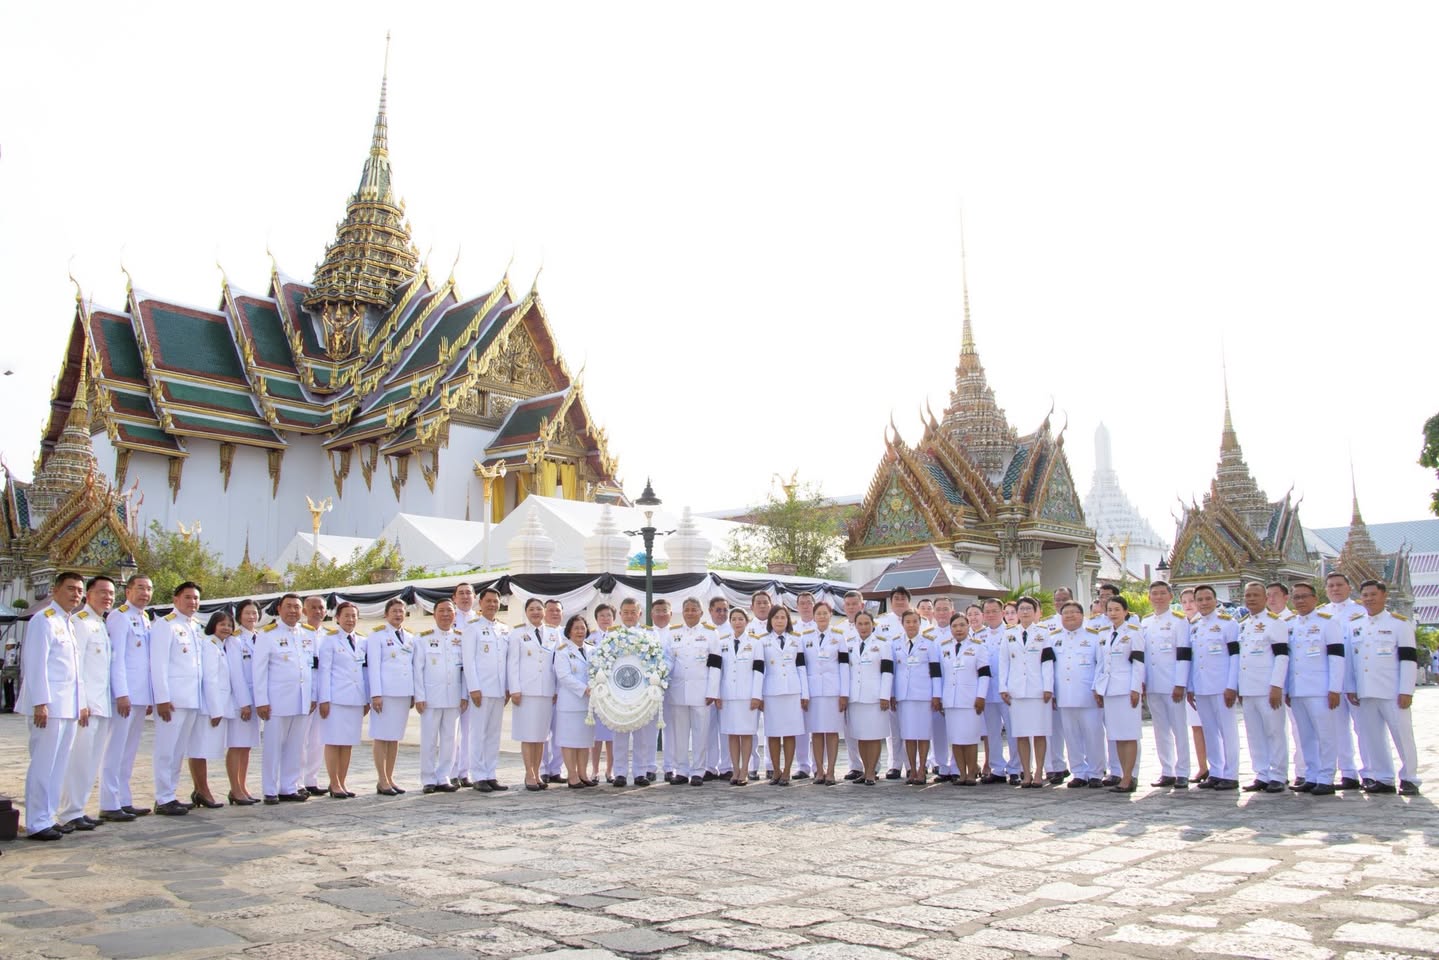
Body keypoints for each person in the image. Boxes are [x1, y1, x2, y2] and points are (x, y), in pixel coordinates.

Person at [21, 572, 86, 840]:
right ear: (55, 589)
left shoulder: (67, 622)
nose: (76, 594)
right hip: (49, 706)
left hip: (68, 705)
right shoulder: (44, 620)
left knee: (58, 765)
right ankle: (37, 821)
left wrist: (80, 703)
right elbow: (36, 665)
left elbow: (73, 670)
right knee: (43, 764)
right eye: (70, 588)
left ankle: (49, 815)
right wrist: (40, 703)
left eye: (80, 590)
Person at [1348, 580, 1420, 795]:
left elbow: (1408, 659)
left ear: (1384, 596)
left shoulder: (1399, 624)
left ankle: (1410, 778)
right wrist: (1351, 687)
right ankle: (1383, 777)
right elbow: (1352, 661)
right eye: (1365, 595)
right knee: (1372, 736)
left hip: (1392, 690)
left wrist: (1406, 690)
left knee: (1402, 734)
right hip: (1366, 690)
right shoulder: (1356, 625)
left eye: (1373, 594)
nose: (1369, 599)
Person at [56, 575, 116, 832]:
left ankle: (78, 808)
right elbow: (76, 667)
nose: (107, 597)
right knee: (78, 759)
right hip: (86, 706)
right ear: (88, 595)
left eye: (111, 594)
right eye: (102, 592)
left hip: (101, 704)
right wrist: (80, 701)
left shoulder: (100, 623)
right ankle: (69, 811)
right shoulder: (81, 623)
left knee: (91, 759)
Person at [98, 574, 154, 821]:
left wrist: (150, 696)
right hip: (125, 695)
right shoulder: (119, 616)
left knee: (129, 750)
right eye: (140, 588)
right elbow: (117, 658)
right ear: (128, 591)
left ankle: (124, 799)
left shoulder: (145, 618)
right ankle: (109, 803)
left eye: (149, 589)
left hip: (141, 695)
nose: (145, 593)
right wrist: (121, 693)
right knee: (115, 749)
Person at [149, 582, 205, 816]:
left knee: (178, 750)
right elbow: (158, 664)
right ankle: (163, 797)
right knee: (166, 749)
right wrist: (162, 698)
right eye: (188, 597)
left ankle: (170, 793)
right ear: (176, 599)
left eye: (196, 598)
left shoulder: (195, 626)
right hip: (172, 700)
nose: (192, 602)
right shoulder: (166, 625)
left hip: (191, 698)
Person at [1285, 582, 1346, 795]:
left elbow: (1337, 658)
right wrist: (1286, 689)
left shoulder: (1328, 623)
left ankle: (1327, 777)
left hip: (1321, 689)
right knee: (1306, 736)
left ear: (1314, 599)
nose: (1300, 601)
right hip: (1297, 689)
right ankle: (1311, 775)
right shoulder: (1290, 624)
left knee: (1325, 735)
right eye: (1296, 597)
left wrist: (1335, 688)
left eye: (1304, 597)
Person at [253, 594, 312, 804]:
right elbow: (258, 671)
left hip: (301, 699)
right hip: (277, 701)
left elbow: (311, 668)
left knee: (296, 746)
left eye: (297, 607)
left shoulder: (307, 634)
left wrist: (312, 696)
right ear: (279, 609)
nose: (293, 611)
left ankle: (288, 786)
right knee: (273, 746)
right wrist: (261, 700)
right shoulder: (267, 635)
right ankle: (270, 789)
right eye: (288, 607)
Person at [1236, 581, 1291, 793]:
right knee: (1254, 733)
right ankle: (1262, 773)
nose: (1251, 599)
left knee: (1275, 731)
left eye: (1255, 595)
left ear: (1265, 598)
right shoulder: (1243, 624)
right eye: (1248, 595)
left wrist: (1277, 685)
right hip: (1248, 688)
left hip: (1268, 688)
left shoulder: (1275, 623)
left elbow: (1281, 656)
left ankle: (1278, 774)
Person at [664, 597, 722, 786]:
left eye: (694, 609)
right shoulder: (673, 634)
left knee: (701, 732)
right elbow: (668, 660)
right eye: (687, 609)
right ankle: (681, 770)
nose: (690, 612)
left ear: (701, 612)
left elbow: (715, 665)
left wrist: (713, 691)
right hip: (678, 691)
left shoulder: (711, 634)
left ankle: (698, 770)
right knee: (679, 733)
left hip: (701, 691)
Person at [1188, 584, 1241, 790]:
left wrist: (1231, 685)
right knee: (1209, 731)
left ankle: (1231, 773)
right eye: (1199, 599)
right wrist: (1191, 686)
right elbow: (1193, 660)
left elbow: (1235, 657)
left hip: (1222, 686)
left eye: (1207, 598)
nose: (1203, 603)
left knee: (1227, 730)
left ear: (1215, 600)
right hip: (1201, 687)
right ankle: (1216, 771)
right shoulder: (1194, 625)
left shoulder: (1228, 624)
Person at [998, 596, 1053, 788]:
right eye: (1022, 609)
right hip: (1017, 690)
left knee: (1039, 733)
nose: (1025, 612)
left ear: (1036, 611)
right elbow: (1004, 662)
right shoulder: (1009, 634)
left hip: (1038, 690)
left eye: (1029, 608)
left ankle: (1039, 772)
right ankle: (1026, 773)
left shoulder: (1044, 633)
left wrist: (1048, 687)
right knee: (1021, 734)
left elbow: (1047, 662)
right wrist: (1003, 687)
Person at [1142, 581, 1192, 788]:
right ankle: (1166, 770)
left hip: (1172, 684)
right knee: (1160, 729)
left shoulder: (1179, 622)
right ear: (1149, 598)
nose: (1158, 597)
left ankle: (1183, 771)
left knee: (1179, 728)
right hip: (1153, 684)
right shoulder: (1145, 623)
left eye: (1163, 593)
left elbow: (1183, 655)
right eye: (1155, 594)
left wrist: (1180, 683)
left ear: (1171, 597)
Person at [1050, 600, 1104, 789]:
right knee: (1071, 736)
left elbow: (1101, 664)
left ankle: (1096, 773)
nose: (1070, 616)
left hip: (1088, 694)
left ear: (1082, 616)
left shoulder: (1094, 637)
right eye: (1066, 613)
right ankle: (1079, 772)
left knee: (1093, 735)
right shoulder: (1054, 638)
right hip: (1064, 695)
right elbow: (1050, 668)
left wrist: (1098, 688)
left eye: (1074, 612)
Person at [1321, 572, 1367, 790]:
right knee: (1338, 729)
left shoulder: (1361, 612)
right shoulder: (1321, 613)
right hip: (1331, 682)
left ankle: (1371, 772)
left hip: (1355, 679)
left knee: (1364, 729)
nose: (1335, 589)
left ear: (1349, 587)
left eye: (1339, 585)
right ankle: (1347, 772)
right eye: (1330, 585)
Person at [317, 601, 368, 799]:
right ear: (337, 618)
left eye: (354, 616)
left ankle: (342, 781)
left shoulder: (362, 641)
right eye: (346, 615)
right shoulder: (329, 641)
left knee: (348, 742)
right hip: (336, 698)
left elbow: (364, 672)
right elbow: (324, 671)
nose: (350, 619)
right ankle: (334, 782)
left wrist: (366, 699)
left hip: (355, 698)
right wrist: (324, 699)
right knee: (333, 741)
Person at [1094, 596, 1144, 793]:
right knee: (1117, 736)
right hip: (1109, 689)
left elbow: (1138, 663)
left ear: (1125, 611)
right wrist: (1097, 688)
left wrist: (1135, 689)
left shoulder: (1133, 633)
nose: (1113, 613)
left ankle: (1129, 777)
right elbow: (1100, 663)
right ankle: (1124, 774)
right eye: (1110, 610)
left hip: (1126, 689)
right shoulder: (1104, 634)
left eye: (1117, 609)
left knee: (1129, 734)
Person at [461, 587, 509, 793]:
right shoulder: (472, 628)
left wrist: (507, 687)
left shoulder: (504, 629)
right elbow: (468, 660)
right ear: (480, 604)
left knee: (493, 734)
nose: (492, 605)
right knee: (478, 733)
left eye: (495, 601)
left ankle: (490, 773)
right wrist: (474, 688)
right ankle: (478, 774)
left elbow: (507, 661)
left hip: (498, 690)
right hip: (481, 688)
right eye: (488, 601)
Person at [416, 599, 467, 794]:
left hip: (453, 696)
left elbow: (464, 670)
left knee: (450, 740)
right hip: (430, 697)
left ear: (455, 614)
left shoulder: (461, 638)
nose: (446, 614)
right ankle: (428, 778)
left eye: (449, 611)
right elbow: (418, 670)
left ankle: (444, 775)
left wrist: (464, 695)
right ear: (434, 614)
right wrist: (419, 696)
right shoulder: (423, 639)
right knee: (429, 739)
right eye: (442, 611)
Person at [367, 598, 416, 795]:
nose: (398, 615)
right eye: (394, 611)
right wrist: (376, 694)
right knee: (381, 736)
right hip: (385, 694)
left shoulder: (410, 637)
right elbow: (374, 667)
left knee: (394, 737)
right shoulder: (377, 636)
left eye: (401, 611)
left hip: (403, 693)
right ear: (386, 614)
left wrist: (413, 693)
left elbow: (411, 667)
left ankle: (390, 776)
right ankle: (381, 779)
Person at [186, 608, 235, 809]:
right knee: (199, 750)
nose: (226, 628)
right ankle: (202, 790)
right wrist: (216, 710)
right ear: (213, 625)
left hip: (217, 705)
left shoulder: (221, 646)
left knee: (203, 749)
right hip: (208, 708)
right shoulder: (209, 646)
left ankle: (200, 790)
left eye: (230, 625)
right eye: (222, 624)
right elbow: (210, 679)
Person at [509, 597, 556, 791]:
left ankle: (537, 772)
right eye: (531, 609)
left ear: (544, 611)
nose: (536, 612)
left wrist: (556, 689)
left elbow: (557, 663)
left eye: (539, 609)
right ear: (526, 612)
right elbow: (512, 663)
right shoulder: (518, 633)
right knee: (528, 735)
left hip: (546, 691)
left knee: (541, 736)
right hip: (526, 691)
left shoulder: (553, 634)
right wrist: (514, 689)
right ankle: (529, 774)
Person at [713, 607, 764, 786]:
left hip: (747, 696)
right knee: (732, 734)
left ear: (746, 621)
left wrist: (757, 696)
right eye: (734, 619)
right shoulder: (722, 642)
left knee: (747, 734)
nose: (737, 622)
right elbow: (718, 670)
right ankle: (735, 769)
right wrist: (716, 694)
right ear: (730, 621)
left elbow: (759, 671)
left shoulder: (756, 643)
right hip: (728, 695)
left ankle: (745, 770)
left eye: (740, 619)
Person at [611, 598, 658, 787]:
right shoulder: (611, 636)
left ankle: (641, 772)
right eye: (626, 612)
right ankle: (620, 772)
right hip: (619, 692)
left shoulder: (650, 634)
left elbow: (661, 659)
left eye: (633, 612)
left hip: (642, 692)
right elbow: (604, 661)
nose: (630, 616)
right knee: (620, 734)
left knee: (643, 735)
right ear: (620, 614)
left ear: (640, 614)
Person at [760, 605, 809, 785]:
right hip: (771, 691)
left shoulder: (797, 640)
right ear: (770, 621)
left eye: (783, 617)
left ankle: (787, 770)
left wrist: (805, 693)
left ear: (788, 620)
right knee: (773, 733)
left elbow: (802, 668)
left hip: (792, 691)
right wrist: (759, 695)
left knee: (790, 733)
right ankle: (776, 770)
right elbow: (760, 670)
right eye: (776, 617)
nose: (779, 620)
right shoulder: (762, 641)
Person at [939, 612, 989, 786]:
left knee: (970, 739)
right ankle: (961, 773)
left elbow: (984, 675)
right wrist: (939, 698)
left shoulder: (978, 647)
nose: (958, 629)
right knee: (956, 740)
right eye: (954, 626)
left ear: (968, 626)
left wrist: (981, 696)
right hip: (950, 700)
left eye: (962, 625)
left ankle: (971, 773)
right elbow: (941, 675)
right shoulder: (944, 647)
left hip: (970, 700)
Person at [892, 610, 942, 785]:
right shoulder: (895, 643)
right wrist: (891, 694)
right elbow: (893, 671)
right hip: (903, 696)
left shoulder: (929, 644)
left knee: (923, 734)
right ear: (902, 623)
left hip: (923, 695)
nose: (911, 625)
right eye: (908, 622)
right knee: (908, 735)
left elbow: (936, 671)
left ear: (920, 623)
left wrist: (936, 695)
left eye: (914, 621)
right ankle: (912, 768)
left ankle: (922, 769)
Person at [802, 601, 849, 786]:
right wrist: (804, 694)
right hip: (813, 691)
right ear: (813, 616)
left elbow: (844, 667)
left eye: (825, 613)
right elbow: (802, 667)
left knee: (831, 732)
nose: (822, 616)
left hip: (832, 691)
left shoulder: (839, 637)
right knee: (817, 732)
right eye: (818, 613)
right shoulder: (805, 638)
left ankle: (831, 771)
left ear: (831, 615)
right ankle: (819, 770)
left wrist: (844, 693)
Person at [845, 611, 893, 785]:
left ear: (873, 625)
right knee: (861, 735)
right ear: (855, 625)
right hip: (855, 697)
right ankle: (865, 771)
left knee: (873, 736)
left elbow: (887, 672)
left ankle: (872, 772)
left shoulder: (882, 644)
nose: (864, 627)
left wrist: (885, 695)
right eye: (860, 624)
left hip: (875, 696)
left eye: (867, 623)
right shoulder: (849, 643)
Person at [224, 600, 262, 805]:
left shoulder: (260, 637)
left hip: (256, 699)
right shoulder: (234, 640)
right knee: (236, 744)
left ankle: (243, 785)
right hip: (241, 700)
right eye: (247, 613)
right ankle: (234, 788)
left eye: (254, 613)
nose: (251, 617)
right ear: (239, 616)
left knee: (246, 746)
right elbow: (236, 675)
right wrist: (244, 703)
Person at [977, 597, 1018, 784]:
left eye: (995, 611)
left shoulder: (1012, 633)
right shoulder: (978, 636)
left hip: (1008, 691)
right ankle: (997, 768)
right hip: (987, 691)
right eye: (988, 612)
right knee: (991, 732)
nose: (991, 615)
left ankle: (1017, 767)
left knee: (1013, 730)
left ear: (1003, 613)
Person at [553, 614, 596, 787]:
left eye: (582, 628)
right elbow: (564, 676)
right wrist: (584, 689)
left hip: (588, 704)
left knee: (584, 741)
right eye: (576, 628)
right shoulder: (563, 650)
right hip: (570, 703)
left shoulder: (593, 650)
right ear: (569, 631)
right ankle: (572, 775)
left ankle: (583, 773)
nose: (580, 631)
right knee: (570, 741)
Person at [873, 587, 911, 780]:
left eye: (903, 598)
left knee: (911, 726)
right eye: (896, 598)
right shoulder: (880, 623)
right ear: (890, 600)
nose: (900, 601)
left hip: (911, 683)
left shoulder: (919, 621)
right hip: (890, 680)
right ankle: (895, 764)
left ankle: (913, 764)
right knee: (893, 728)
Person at [450, 582, 481, 787]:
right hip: (453, 678)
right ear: (454, 597)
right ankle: (450, 771)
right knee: (451, 730)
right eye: (460, 593)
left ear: (474, 596)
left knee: (470, 729)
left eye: (468, 593)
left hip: (474, 679)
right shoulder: (447, 618)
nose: (465, 597)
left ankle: (464, 771)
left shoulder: (479, 621)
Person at [836, 590, 868, 782]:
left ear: (861, 605)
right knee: (849, 729)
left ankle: (872, 766)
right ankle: (855, 765)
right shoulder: (839, 629)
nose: (851, 607)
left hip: (866, 685)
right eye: (847, 604)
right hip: (846, 684)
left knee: (868, 729)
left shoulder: (873, 627)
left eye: (854, 604)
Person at [1179, 586, 1210, 782]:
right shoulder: (1181, 625)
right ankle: (1202, 766)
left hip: (1208, 683)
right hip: (1189, 684)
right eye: (1185, 602)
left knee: (1212, 727)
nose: (1189, 605)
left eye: (1193, 601)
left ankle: (1220, 767)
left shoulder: (1210, 624)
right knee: (1196, 727)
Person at [585, 603, 616, 783]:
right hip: (596, 691)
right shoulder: (590, 638)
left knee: (612, 735)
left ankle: (610, 771)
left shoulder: (619, 637)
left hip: (613, 693)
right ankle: (595, 770)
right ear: (596, 619)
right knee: (596, 736)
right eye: (602, 616)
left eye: (608, 615)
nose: (605, 619)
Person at [701, 595, 731, 780]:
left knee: (727, 728)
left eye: (725, 610)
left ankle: (727, 766)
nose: (722, 613)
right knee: (708, 729)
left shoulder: (734, 628)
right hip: (708, 688)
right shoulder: (704, 631)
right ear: (710, 611)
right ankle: (710, 766)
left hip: (728, 687)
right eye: (718, 610)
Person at [930, 596, 957, 782]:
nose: (942, 613)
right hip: (935, 688)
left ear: (952, 611)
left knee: (956, 729)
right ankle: (941, 765)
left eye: (945, 609)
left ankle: (956, 765)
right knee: (937, 730)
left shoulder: (959, 631)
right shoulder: (927, 634)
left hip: (957, 688)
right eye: (938, 609)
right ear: (933, 612)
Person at [541, 598, 566, 784]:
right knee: (542, 732)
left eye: (558, 610)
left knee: (561, 732)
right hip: (545, 690)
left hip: (564, 691)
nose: (555, 613)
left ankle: (556, 768)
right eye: (551, 610)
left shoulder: (568, 632)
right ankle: (542, 768)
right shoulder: (540, 633)